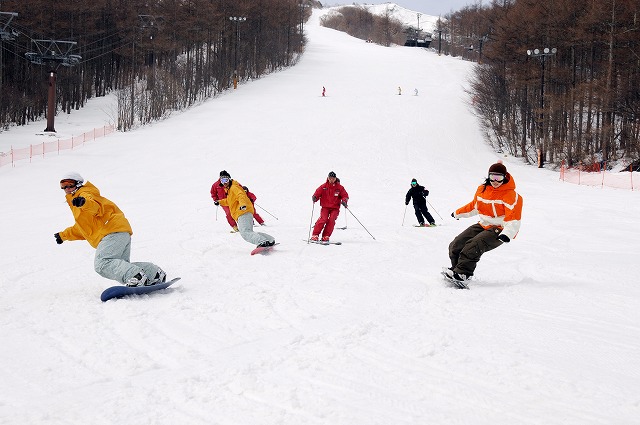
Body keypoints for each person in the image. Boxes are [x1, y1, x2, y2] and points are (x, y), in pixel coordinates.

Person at [54, 172, 166, 287]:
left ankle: (135, 276)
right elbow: (83, 227)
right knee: (120, 265)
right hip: (119, 231)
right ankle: (154, 274)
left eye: (70, 184)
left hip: (112, 232)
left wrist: (84, 202)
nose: (67, 188)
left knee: (102, 264)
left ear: (78, 184)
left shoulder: (85, 194)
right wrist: (63, 235)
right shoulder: (76, 203)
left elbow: (95, 206)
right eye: (63, 186)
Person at [444, 162, 523, 283]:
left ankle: (464, 274)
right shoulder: (482, 189)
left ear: (505, 177)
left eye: (499, 178)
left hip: (500, 228)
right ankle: (456, 270)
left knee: (473, 245)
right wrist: (458, 213)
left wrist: (507, 234)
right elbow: (475, 206)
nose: (495, 181)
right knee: (456, 244)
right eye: (492, 177)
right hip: (484, 224)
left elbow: (513, 218)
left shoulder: (511, 195)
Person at [218, 175, 275, 248]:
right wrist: (219, 202)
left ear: (229, 179)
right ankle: (269, 240)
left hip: (242, 211)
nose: (224, 182)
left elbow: (241, 195)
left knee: (245, 233)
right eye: (222, 181)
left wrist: (243, 204)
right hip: (243, 212)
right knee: (248, 232)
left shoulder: (233, 187)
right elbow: (229, 201)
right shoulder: (230, 191)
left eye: (226, 180)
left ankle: (262, 241)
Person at [311, 171, 349, 242]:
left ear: (335, 178)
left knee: (331, 220)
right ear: (328, 178)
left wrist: (344, 201)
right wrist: (315, 197)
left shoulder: (340, 188)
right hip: (325, 207)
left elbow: (345, 195)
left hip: (335, 208)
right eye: (330, 178)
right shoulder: (323, 187)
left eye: (333, 178)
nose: (331, 180)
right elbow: (317, 193)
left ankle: (326, 236)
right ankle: (315, 235)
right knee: (323, 219)